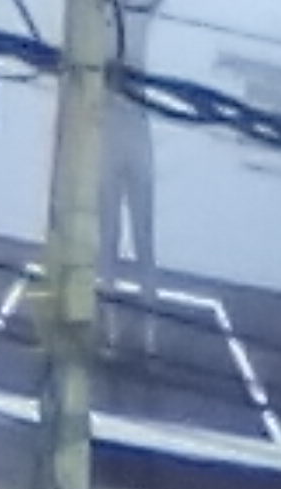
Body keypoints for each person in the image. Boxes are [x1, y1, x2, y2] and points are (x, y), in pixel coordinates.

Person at [100, 0, 164, 359]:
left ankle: (150, 335)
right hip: (109, 136)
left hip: (137, 136)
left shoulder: (140, 9)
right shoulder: (97, 13)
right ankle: (111, 331)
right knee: (108, 238)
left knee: (144, 240)